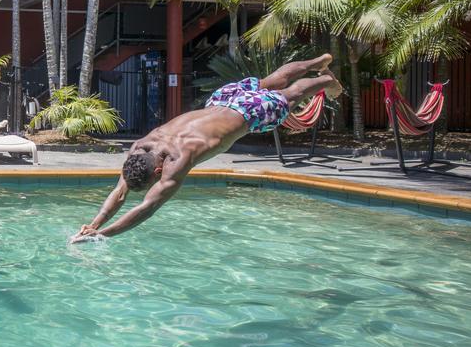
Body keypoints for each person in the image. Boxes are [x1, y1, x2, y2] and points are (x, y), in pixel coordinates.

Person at [72, 54, 341, 242]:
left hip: (246, 113)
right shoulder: (141, 147)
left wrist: (103, 233)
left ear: (157, 169)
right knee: (272, 80)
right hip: (219, 101)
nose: (158, 181)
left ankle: (325, 81)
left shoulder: (179, 160)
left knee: (291, 95)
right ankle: (316, 63)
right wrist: (93, 224)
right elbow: (120, 193)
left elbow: (146, 208)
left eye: (155, 179)